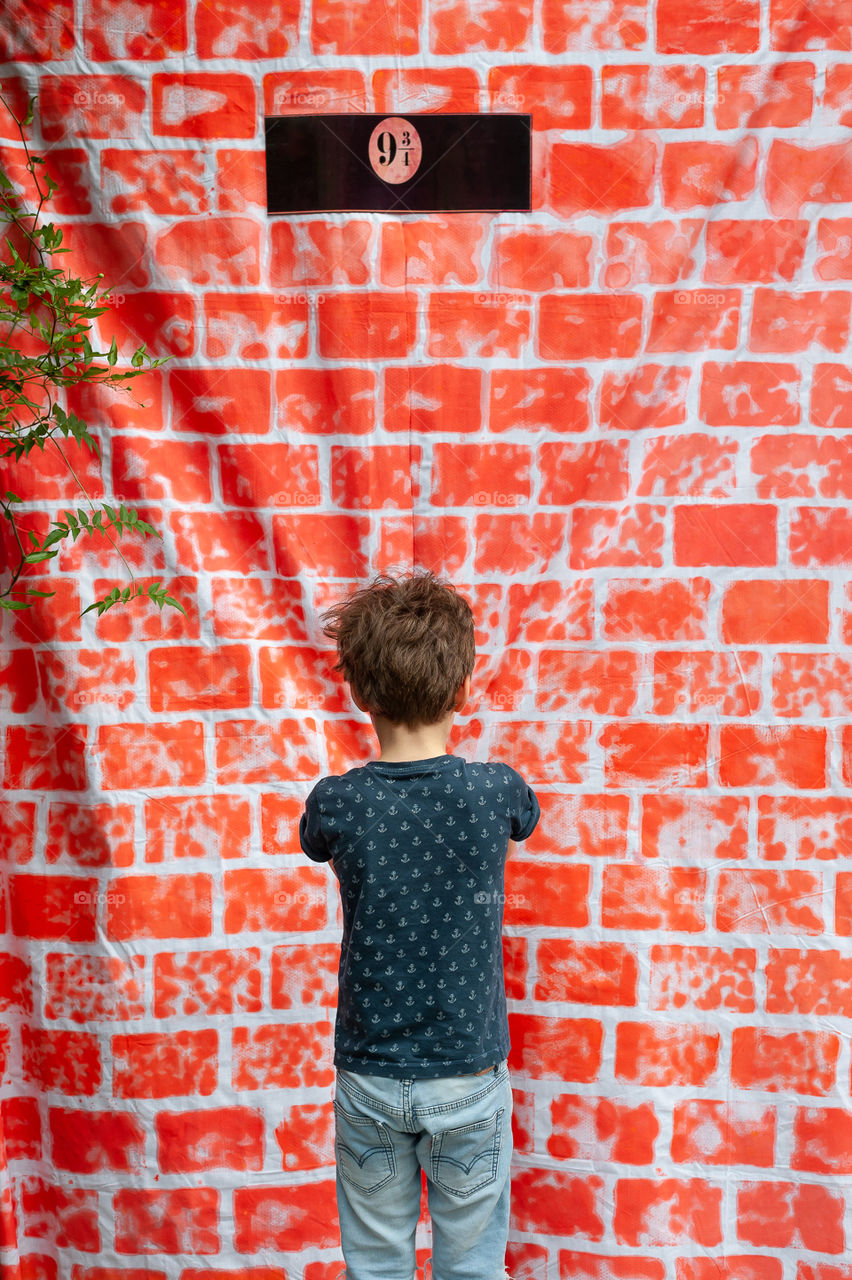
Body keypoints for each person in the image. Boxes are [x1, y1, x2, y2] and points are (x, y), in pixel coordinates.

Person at [299, 568, 541, 1280]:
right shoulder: (495, 791)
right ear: (461, 689)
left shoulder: (338, 803)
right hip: (467, 1072)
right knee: (472, 1265)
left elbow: (312, 840)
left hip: (370, 1075)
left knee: (374, 1265)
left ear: (360, 692)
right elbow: (527, 815)